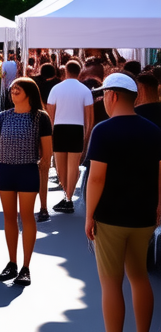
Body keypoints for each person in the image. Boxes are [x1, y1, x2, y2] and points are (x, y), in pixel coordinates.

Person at [79, 73, 161, 332]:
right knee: (139, 276)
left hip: (111, 217)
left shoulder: (104, 130)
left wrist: (89, 215)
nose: (102, 100)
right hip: (143, 217)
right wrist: (158, 207)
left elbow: (96, 178)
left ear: (112, 95)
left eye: (103, 95)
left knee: (111, 283)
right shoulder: (153, 131)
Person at [0, 77, 52, 286]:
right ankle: (12, 263)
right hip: (6, 170)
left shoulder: (40, 118)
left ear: (29, 92)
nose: (13, 91)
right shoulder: (3, 117)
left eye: (18, 88)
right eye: (12, 88)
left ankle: (26, 267)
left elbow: (47, 151)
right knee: (8, 217)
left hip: (27, 170)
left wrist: (41, 170)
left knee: (26, 217)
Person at [46, 61, 94, 216]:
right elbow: (90, 118)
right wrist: (86, 138)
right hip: (77, 129)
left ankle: (67, 199)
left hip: (59, 129)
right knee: (73, 166)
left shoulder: (56, 89)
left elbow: (50, 115)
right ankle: (68, 198)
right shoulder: (85, 90)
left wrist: (50, 135)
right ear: (79, 72)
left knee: (60, 167)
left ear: (65, 71)